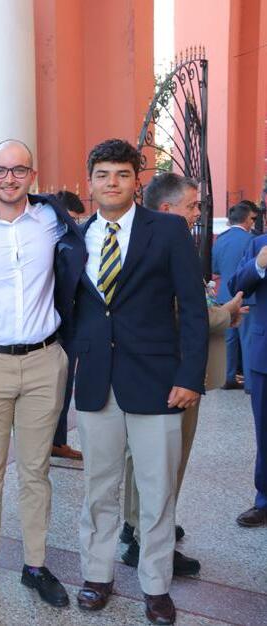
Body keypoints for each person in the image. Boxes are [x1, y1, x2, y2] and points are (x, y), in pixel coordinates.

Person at [70, 139, 207, 625]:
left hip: (158, 382)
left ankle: (155, 584)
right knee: (99, 489)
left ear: (136, 181)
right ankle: (97, 575)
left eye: (122, 174)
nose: (112, 183)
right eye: (103, 174)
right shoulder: (76, 238)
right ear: (90, 183)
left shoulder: (167, 230)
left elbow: (193, 309)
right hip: (97, 384)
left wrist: (190, 376)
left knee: (156, 491)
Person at [0, 140, 86, 609]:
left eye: (18, 170)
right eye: (0, 171)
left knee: (35, 471)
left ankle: (35, 565)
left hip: (45, 359)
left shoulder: (52, 219)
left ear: (32, 175)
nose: (9, 178)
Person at [119, 172, 244, 577]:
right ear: (167, 209)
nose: (197, 213)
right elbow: (178, 312)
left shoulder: (144, 239)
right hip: (171, 373)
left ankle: (139, 525)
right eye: (192, 206)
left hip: (154, 369)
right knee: (167, 462)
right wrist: (226, 314)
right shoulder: (162, 244)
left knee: (143, 461)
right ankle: (149, 540)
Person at [227, 232, 267, 528]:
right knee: (264, 432)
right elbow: (235, 285)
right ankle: (264, 501)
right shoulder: (258, 244)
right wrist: (259, 265)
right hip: (265, 354)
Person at [50, 190, 87, 461]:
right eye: (69, 219)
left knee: (64, 388)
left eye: (76, 220)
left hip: (70, 326)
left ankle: (57, 441)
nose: (73, 226)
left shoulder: (76, 244)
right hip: (44, 329)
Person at [213, 201, 256, 390]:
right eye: (252, 219)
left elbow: (215, 268)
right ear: (246, 219)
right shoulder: (252, 240)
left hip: (224, 295)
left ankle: (227, 378)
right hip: (247, 296)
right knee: (248, 340)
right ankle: (250, 383)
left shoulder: (220, 239)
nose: (253, 222)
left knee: (228, 340)